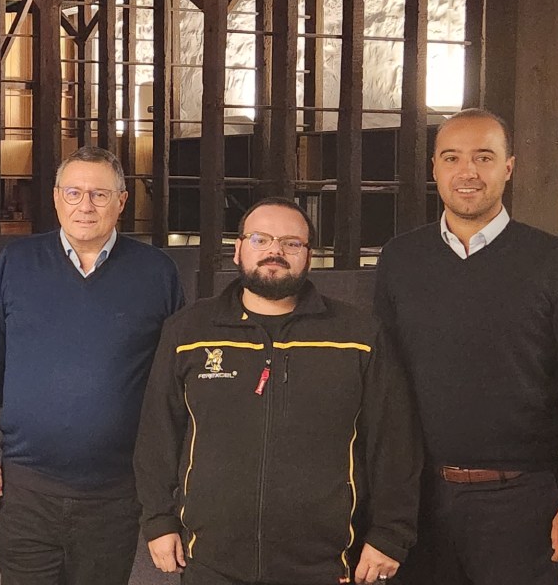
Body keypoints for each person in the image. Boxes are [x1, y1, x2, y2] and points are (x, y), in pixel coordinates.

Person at [373, 108, 558, 585]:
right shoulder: (400, 258)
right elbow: (384, 382)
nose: (467, 171)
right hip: (417, 502)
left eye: (483, 157)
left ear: (509, 167)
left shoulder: (557, 262)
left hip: (521, 502)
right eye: (452, 157)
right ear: (435, 168)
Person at [136, 197, 420, 585]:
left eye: (291, 243)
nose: (275, 251)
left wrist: (390, 535)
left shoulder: (359, 336)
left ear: (309, 255)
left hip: (325, 564)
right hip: (211, 562)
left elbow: (394, 442)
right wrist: (158, 520)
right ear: (238, 249)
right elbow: (157, 433)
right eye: (261, 239)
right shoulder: (188, 331)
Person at [0, 146, 185, 585]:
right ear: (56, 198)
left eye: (100, 195)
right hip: (26, 486)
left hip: (116, 490)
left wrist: (167, 482)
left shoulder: (157, 272)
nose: (86, 205)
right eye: (74, 192)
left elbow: (176, 377)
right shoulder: (17, 262)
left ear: (121, 202)